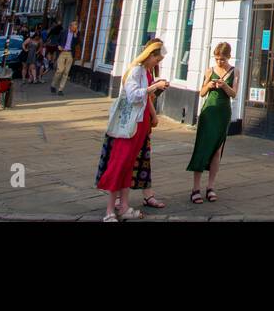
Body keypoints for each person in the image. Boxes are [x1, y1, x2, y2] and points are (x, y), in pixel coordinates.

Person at [96, 39, 169, 220]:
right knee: (119, 164)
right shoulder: (136, 70)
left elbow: (146, 99)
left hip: (141, 123)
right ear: (150, 55)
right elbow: (133, 95)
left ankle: (124, 207)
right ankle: (109, 211)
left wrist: (153, 115)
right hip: (129, 124)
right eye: (157, 59)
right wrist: (155, 86)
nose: (157, 63)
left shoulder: (145, 71)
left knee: (129, 166)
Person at [187, 42, 239, 202]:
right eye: (216, 59)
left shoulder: (234, 71)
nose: (219, 62)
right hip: (208, 113)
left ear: (228, 57)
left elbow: (234, 94)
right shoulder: (210, 70)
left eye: (222, 59)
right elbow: (202, 93)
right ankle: (195, 188)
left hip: (223, 114)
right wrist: (208, 85)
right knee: (202, 148)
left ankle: (210, 186)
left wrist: (224, 86)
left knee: (217, 150)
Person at [50, 21, 79, 95]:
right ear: (70, 26)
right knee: (60, 70)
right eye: (74, 28)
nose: (74, 29)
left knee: (66, 72)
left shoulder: (76, 34)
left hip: (70, 53)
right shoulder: (63, 32)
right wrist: (59, 46)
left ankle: (60, 89)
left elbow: (76, 43)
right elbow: (57, 41)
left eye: (76, 28)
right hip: (62, 52)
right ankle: (53, 85)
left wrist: (75, 35)